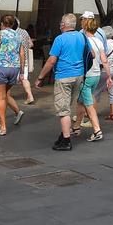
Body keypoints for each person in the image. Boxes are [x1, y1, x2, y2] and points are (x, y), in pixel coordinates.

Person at [35, 13, 86, 151]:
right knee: (68, 104)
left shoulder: (60, 39)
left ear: (63, 25)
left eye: (60, 23)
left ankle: (66, 140)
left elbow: (51, 60)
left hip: (64, 75)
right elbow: (91, 54)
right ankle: (64, 135)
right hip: (79, 75)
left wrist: (40, 77)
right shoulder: (82, 36)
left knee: (63, 109)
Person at [0, 15, 28, 136]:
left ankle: (3, 126)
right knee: (4, 95)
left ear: (2, 23)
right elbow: (22, 54)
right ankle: (2, 123)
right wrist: (21, 72)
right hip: (14, 68)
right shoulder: (18, 35)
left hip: (1, 67)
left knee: (0, 98)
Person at [69, 17, 105, 141]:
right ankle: (76, 127)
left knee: (88, 104)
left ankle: (97, 130)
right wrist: (109, 75)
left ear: (84, 27)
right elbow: (103, 59)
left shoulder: (84, 41)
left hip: (87, 76)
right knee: (81, 102)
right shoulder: (99, 41)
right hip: (96, 74)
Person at [17, 21, 36, 105]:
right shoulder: (24, 31)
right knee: (24, 78)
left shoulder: (10, 32)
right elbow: (31, 44)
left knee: (7, 79)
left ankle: (2, 96)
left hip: (13, 59)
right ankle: (30, 96)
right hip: (24, 59)